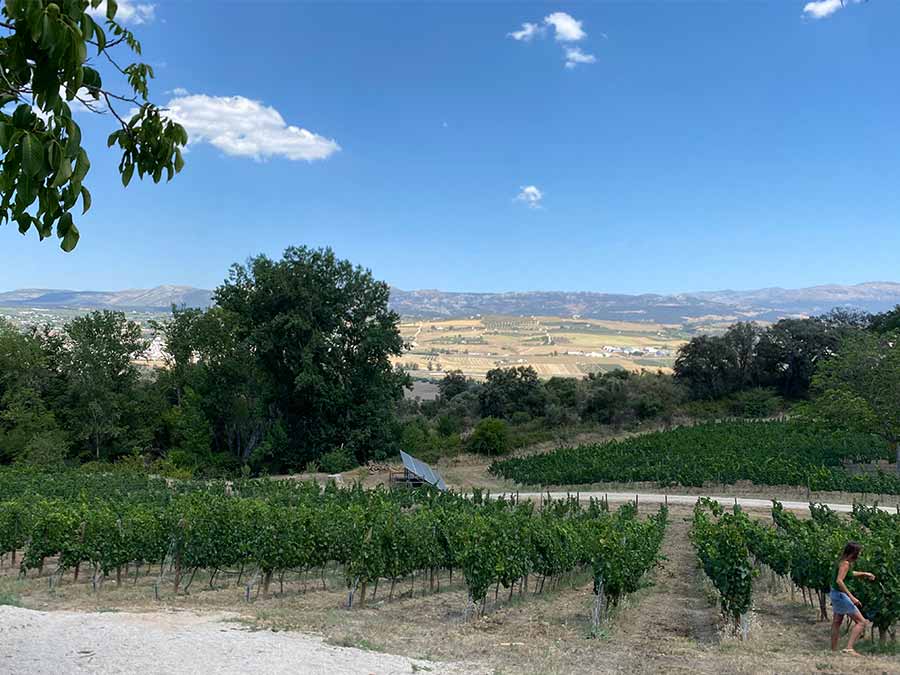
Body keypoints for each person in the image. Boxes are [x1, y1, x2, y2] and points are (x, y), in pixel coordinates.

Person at [830, 541, 876, 655]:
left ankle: (833, 650)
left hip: (835, 593)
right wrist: (852, 597)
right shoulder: (845, 563)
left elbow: (849, 573)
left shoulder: (842, 562)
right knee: (861, 622)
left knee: (837, 622)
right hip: (840, 595)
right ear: (853, 553)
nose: (859, 555)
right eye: (858, 553)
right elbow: (839, 581)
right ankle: (849, 648)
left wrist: (864, 574)